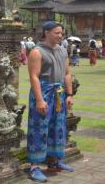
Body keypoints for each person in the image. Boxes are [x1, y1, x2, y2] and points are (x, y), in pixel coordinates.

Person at [27, 21, 74, 182]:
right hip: (43, 92)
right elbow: (33, 76)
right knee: (39, 127)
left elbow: (67, 74)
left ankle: (54, 161)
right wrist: (39, 100)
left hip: (59, 93)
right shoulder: (37, 52)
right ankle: (35, 166)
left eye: (61, 33)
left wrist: (69, 94)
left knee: (58, 126)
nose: (60, 36)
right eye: (57, 33)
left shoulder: (62, 51)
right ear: (46, 32)